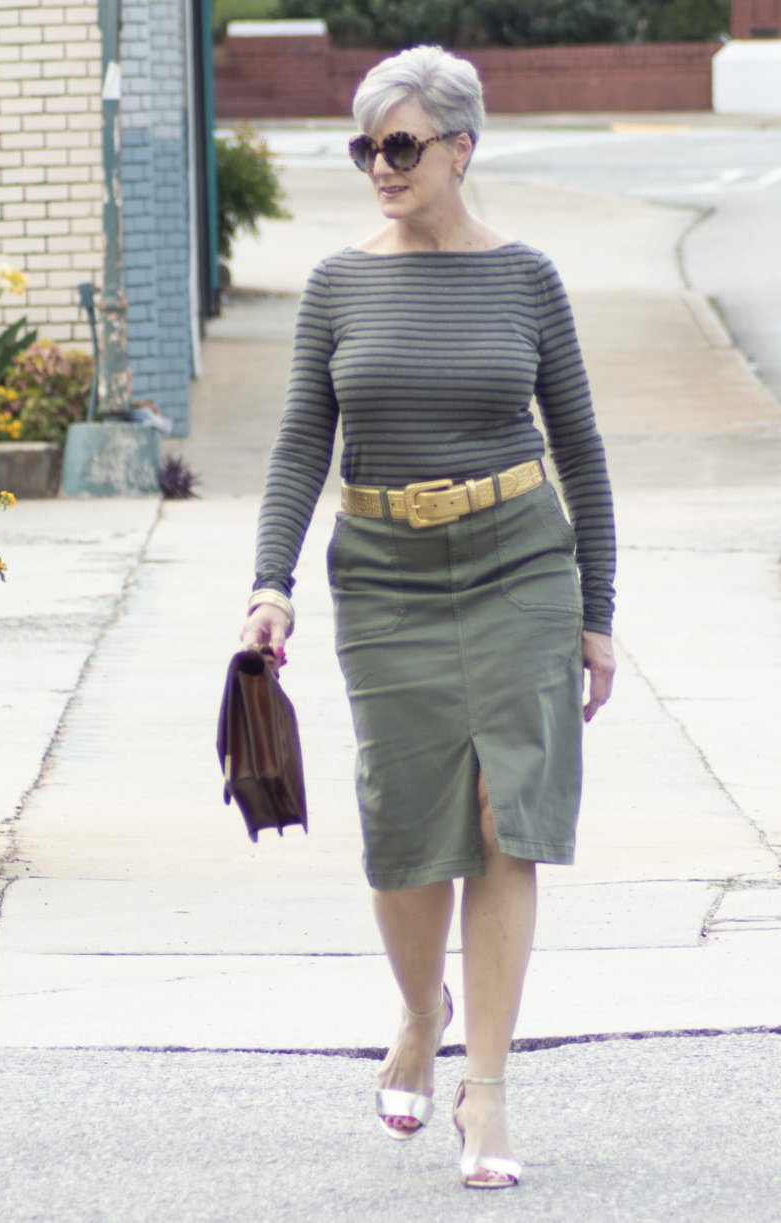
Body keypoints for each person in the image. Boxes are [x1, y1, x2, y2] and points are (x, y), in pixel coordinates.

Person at [241, 45, 617, 1189]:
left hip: (517, 561)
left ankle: (487, 1086)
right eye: (365, 148)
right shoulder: (339, 286)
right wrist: (270, 581)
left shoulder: (527, 280)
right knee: (406, 821)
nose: (379, 166)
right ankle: (420, 1011)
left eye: (399, 145)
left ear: (462, 145)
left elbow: (583, 452)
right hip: (387, 576)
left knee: (509, 812)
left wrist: (597, 611)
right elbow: (302, 442)